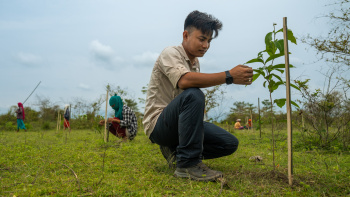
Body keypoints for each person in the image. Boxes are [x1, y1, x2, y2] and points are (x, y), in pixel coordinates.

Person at [143, 10, 253, 181]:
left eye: (209, 41)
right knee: (194, 94)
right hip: (159, 125)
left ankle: (176, 152)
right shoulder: (170, 53)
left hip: (180, 124)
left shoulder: (195, 62)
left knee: (229, 143)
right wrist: (229, 76)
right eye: (202, 39)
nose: (206, 45)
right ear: (185, 35)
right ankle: (187, 164)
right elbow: (184, 82)